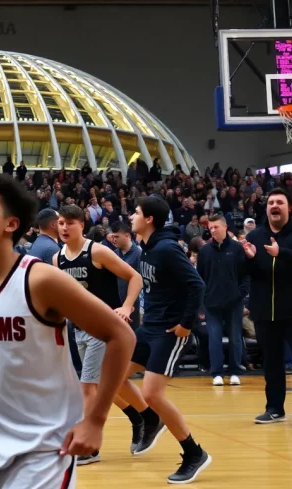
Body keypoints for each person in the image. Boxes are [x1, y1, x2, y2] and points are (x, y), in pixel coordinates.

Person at [0, 173, 135, 489]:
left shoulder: (41, 279)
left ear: (11, 223)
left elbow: (121, 335)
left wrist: (95, 420)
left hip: (40, 447)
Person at [116, 196, 211, 484]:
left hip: (170, 332)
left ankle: (194, 453)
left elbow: (196, 285)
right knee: (113, 376)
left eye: (136, 212)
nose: (131, 216)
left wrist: (185, 323)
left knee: (153, 394)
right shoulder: (147, 248)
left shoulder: (167, 249)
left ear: (149, 220)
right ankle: (148, 419)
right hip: (149, 328)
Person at [53, 205, 144, 465]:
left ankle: (90, 447)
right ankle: (142, 417)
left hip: (104, 330)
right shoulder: (57, 259)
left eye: (70, 222)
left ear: (82, 224)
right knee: (105, 387)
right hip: (79, 329)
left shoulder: (97, 251)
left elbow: (134, 277)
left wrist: (127, 307)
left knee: (88, 387)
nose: (64, 227)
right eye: (60, 222)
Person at [242, 189, 292, 426]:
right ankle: (275, 409)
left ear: (289, 207)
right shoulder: (255, 235)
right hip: (266, 311)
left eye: (280, 202)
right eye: (271, 203)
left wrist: (281, 253)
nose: (274, 206)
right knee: (272, 361)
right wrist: (249, 259)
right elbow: (250, 274)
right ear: (266, 208)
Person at [196, 214, 249, 386]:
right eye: (210, 228)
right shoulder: (204, 251)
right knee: (214, 338)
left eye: (215, 227)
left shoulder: (237, 248)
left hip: (234, 303)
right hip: (212, 304)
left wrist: (240, 294)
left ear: (225, 227)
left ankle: (235, 371)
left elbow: (245, 275)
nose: (212, 230)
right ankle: (216, 372)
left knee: (235, 338)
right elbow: (200, 278)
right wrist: (202, 303)